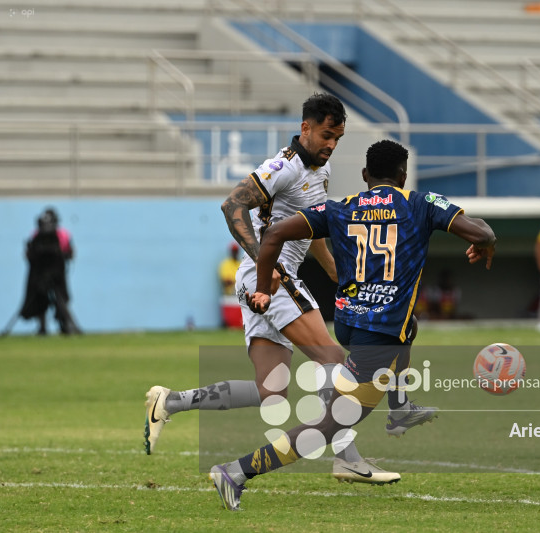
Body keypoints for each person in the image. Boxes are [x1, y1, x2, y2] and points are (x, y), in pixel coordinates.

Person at [144, 95, 434, 485]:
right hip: (271, 278)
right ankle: (347, 458)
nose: (331, 144)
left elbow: (308, 227)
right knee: (333, 358)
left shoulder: (320, 169)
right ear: (305, 128)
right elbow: (232, 206)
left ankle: (172, 401)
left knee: (271, 391)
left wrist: (334, 269)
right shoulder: (283, 167)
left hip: (267, 279)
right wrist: (266, 264)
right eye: (326, 135)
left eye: (338, 138)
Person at [208, 139, 496, 511]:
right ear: (403, 176)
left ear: (364, 176)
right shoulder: (420, 203)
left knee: (408, 325)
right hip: (377, 336)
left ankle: (399, 405)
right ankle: (236, 471)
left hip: (350, 321)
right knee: (330, 426)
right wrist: (485, 242)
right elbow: (481, 233)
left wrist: (263, 289)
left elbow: (275, 234)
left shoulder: (340, 208)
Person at [19, 207, 81, 335]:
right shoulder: (61, 235)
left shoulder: (44, 235)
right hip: (51, 273)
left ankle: (58, 326)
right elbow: (70, 252)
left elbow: (30, 254)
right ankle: (65, 326)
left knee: (58, 300)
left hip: (50, 273)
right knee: (43, 299)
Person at [218, 242, 243, 328]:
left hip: (240, 293)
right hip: (229, 293)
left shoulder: (241, 263)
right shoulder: (226, 264)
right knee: (231, 319)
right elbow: (226, 281)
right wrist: (236, 281)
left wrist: (234, 281)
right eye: (233, 251)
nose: (235, 253)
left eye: (236, 251)